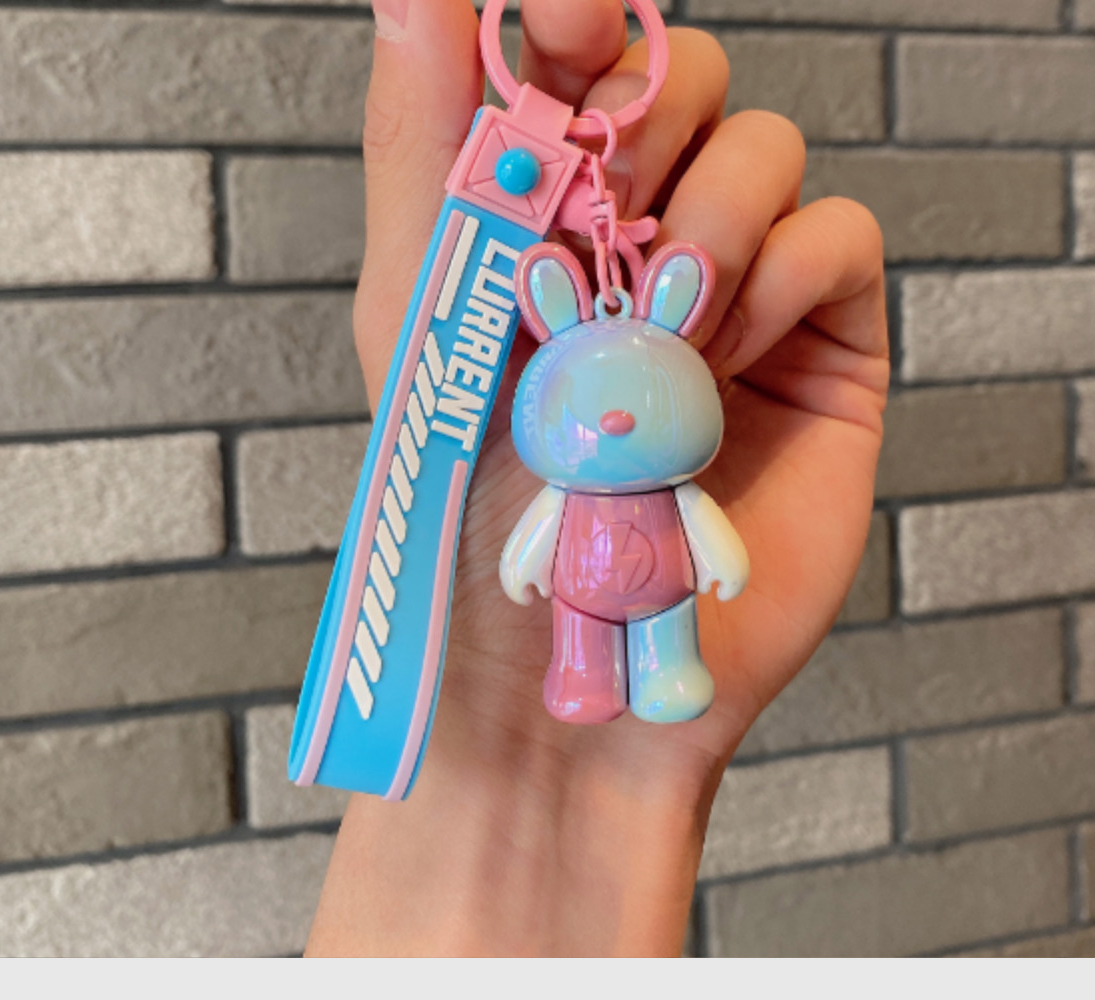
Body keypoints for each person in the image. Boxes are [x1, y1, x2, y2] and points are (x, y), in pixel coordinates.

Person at [308, 0, 888, 956]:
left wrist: (724, 562)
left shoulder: (677, 490)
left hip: (660, 597)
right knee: (580, 647)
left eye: (641, 397)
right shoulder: (559, 488)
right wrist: (512, 569)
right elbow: (532, 537)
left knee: (663, 642)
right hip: (577, 599)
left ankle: (664, 674)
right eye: (593, 401)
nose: (613, 417)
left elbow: (707, 536)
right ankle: (581, 675)